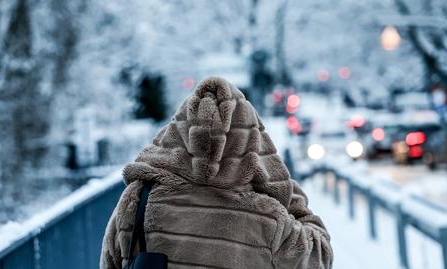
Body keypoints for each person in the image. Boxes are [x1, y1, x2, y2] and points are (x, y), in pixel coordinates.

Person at [100, 77, 333, 269]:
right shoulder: (267, 218)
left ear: (179, 132)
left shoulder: (139, 199)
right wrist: (287, 193)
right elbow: (321, 257)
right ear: (250, 142)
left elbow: (110, 263)